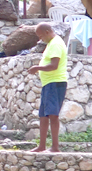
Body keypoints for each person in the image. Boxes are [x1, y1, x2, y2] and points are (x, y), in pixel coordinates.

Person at [27, 22, 67, 153]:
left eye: (41, 36)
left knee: (53, 115)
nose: (40, 39)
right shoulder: (51, 43)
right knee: (43, 115)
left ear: (47, 32)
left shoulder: (55, 43)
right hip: (48, 84)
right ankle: (42, 146)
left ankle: (55, 147)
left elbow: (54, 65)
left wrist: (37, 68)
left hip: (55, 83)